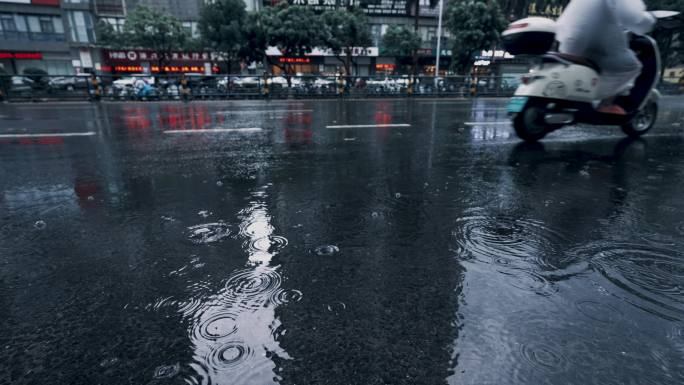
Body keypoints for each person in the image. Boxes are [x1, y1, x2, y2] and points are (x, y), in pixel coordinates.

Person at [555, 0, 656, 114]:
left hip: (568, 40)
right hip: (596, 43)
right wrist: (651, 19)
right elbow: (634, 18)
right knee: (631, 66)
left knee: (606, 64)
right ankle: (603, 105)